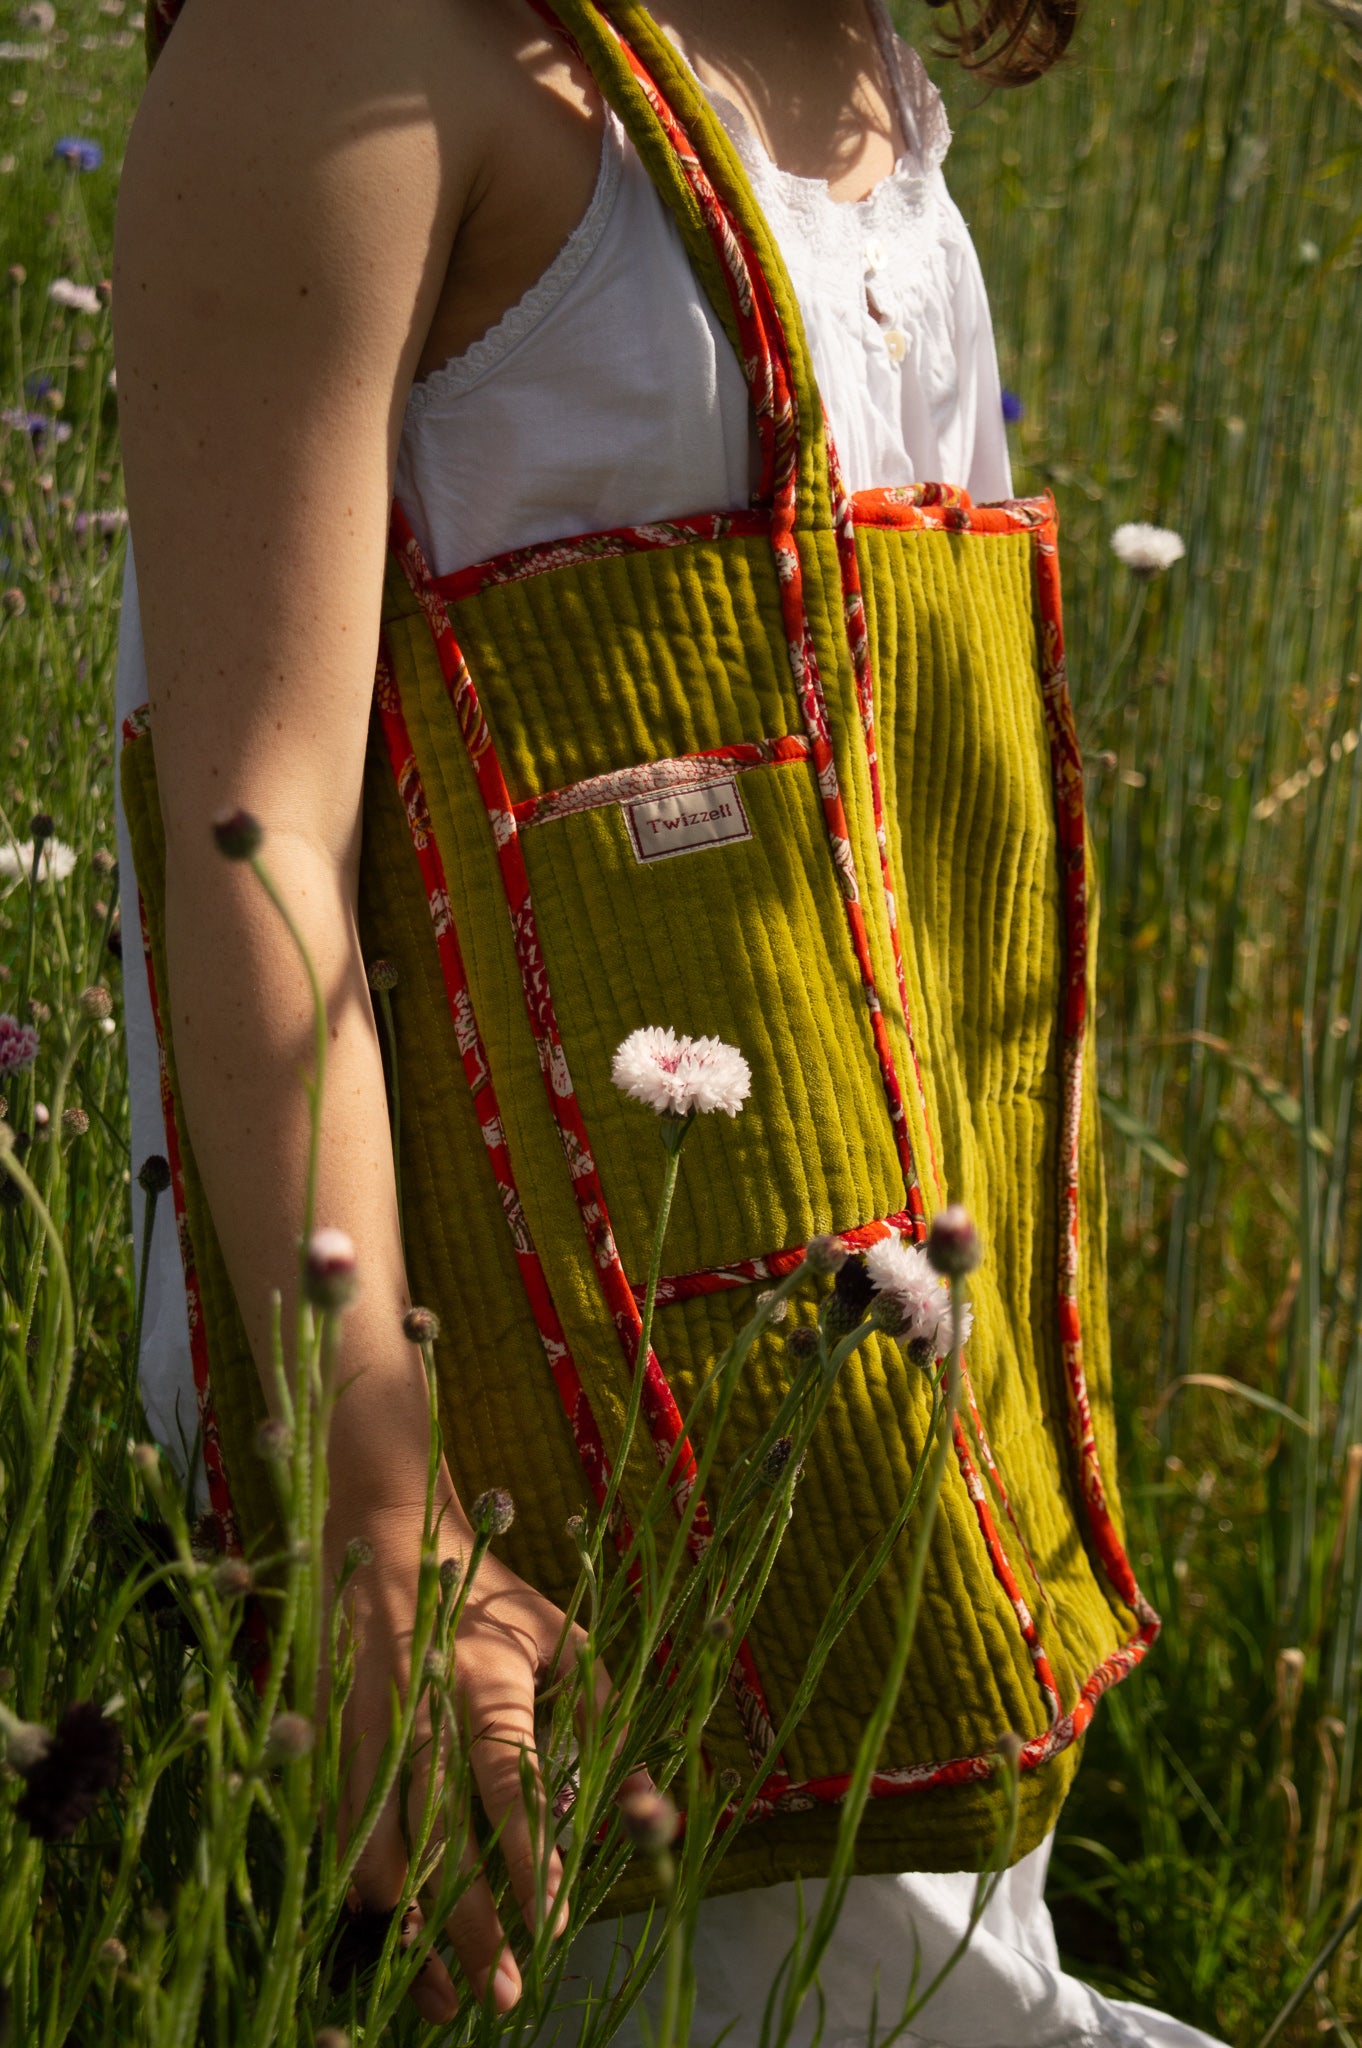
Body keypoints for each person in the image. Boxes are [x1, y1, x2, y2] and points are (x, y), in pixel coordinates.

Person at [111, 0, 1227, 2040]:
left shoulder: (858, 60)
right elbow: (250, 849)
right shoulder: (345, 51)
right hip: (510, 1417)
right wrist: (377, 1499)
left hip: (856, 1387)